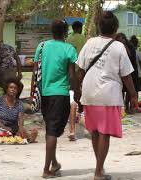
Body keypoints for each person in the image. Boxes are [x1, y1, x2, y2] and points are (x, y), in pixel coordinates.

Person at [77, 11, 137, 180]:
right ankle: (98, 171)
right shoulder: (119, 47)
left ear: (99, 27)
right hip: (108, 94)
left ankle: (100, 168)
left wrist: (78, 92)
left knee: (95, 131)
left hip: (89, 92)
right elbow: (126, 75)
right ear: (116, 28)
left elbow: (80, 70)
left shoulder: (89, 43)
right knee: (104, 133)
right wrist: (133, 95)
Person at [33, 20, 79, 178]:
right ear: (66, 32)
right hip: (60, 94)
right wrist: (77, 91)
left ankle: (54, 163)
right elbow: (72, 74)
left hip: (44, 93)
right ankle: (46, 170)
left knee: (49, 128)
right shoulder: (69, 49)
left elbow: (35, 72)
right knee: (53, 131)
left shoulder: (42, 46)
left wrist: (34, 92)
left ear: (51, 31)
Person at [66, 21, 86, 141]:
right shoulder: (83, 38)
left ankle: (76, 111)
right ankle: (81, 110)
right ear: (79, 28)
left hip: (70, 68)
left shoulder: (68, 39)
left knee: (73, 91)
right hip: (81, 67)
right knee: (80, 90)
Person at [115, 33, 140, 113]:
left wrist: (124, 46)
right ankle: (122, 107)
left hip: (131, 71)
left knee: (129, 89)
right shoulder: (115, 47)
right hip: (119, 71)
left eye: (122, 39)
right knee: (120, 89)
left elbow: (131, 57)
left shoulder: (130, 47)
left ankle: (127, 106)